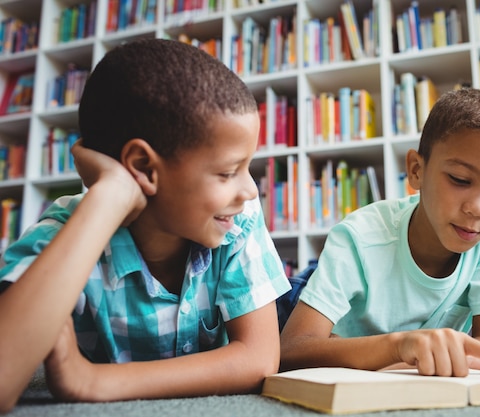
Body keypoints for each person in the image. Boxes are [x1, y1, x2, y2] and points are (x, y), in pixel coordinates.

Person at [0, 38, 291, 412]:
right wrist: (109, 197)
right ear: (143, 167)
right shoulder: (66, 233)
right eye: (227, 172)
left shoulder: (238, 222)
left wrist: (91, 381)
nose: (250, 191)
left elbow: (259, 360)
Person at [280, 88, 480, 380]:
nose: (479, 209)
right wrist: (398, 346)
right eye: (460, 179)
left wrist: (406, 362)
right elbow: (290, 350)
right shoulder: (359, 237)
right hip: (310, 298)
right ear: (416, 170)